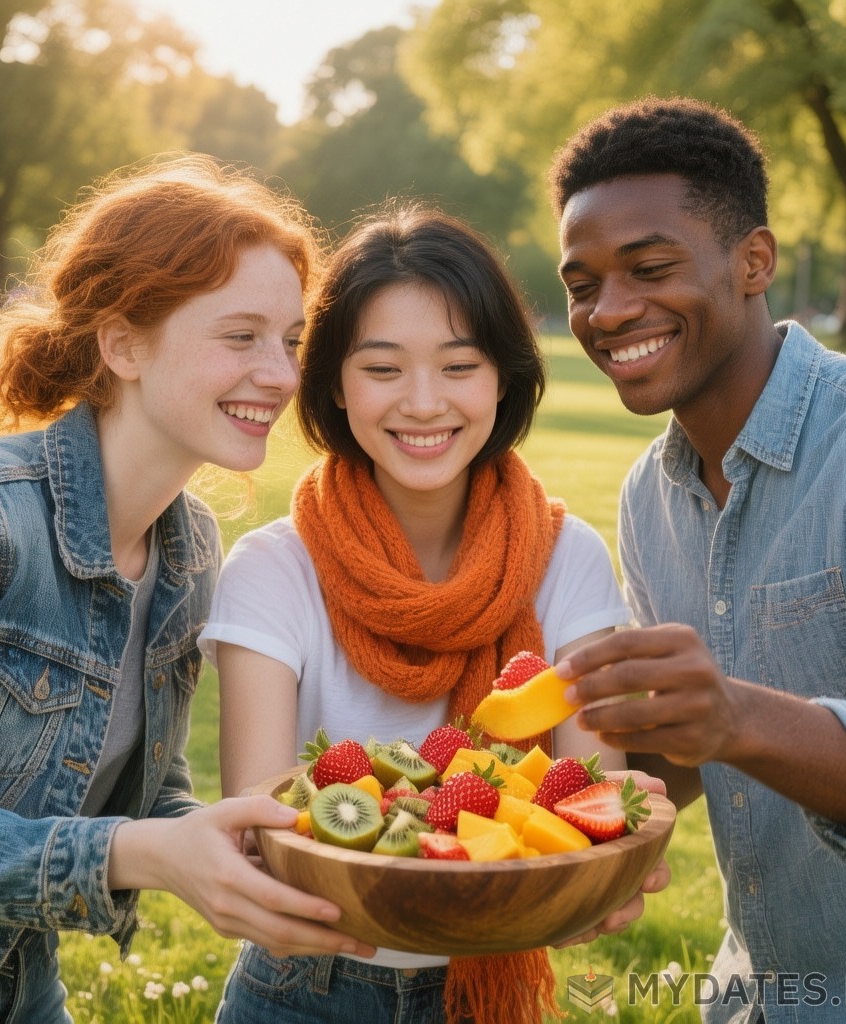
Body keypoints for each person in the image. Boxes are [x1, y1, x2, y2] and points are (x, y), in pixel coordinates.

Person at [199, 204, 666, 1024]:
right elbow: (263, 821)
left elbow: (596, 789)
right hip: (308, 982)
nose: (423, 403)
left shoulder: (567, 555)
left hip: (491, 978)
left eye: (460, 365)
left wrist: (605, 876)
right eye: (382, 369)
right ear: (334, 385)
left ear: (503, 378)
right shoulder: (275, 569)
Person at [0, 154, 369, 1023]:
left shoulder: (190, 547)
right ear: (123, 343)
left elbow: (135, 785)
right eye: (240, 337)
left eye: (289, 341)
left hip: (13, 988)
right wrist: (147, 854)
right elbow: (126, 840)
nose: (282, 377)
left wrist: (259, 846)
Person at [549, 96, 846, 1022]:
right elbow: (692, 746)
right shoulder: (650, 496)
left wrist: (731, 712)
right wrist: (569, 829)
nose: (609, 312)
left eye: (649, 268)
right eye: (582, 286)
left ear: (754, 261)